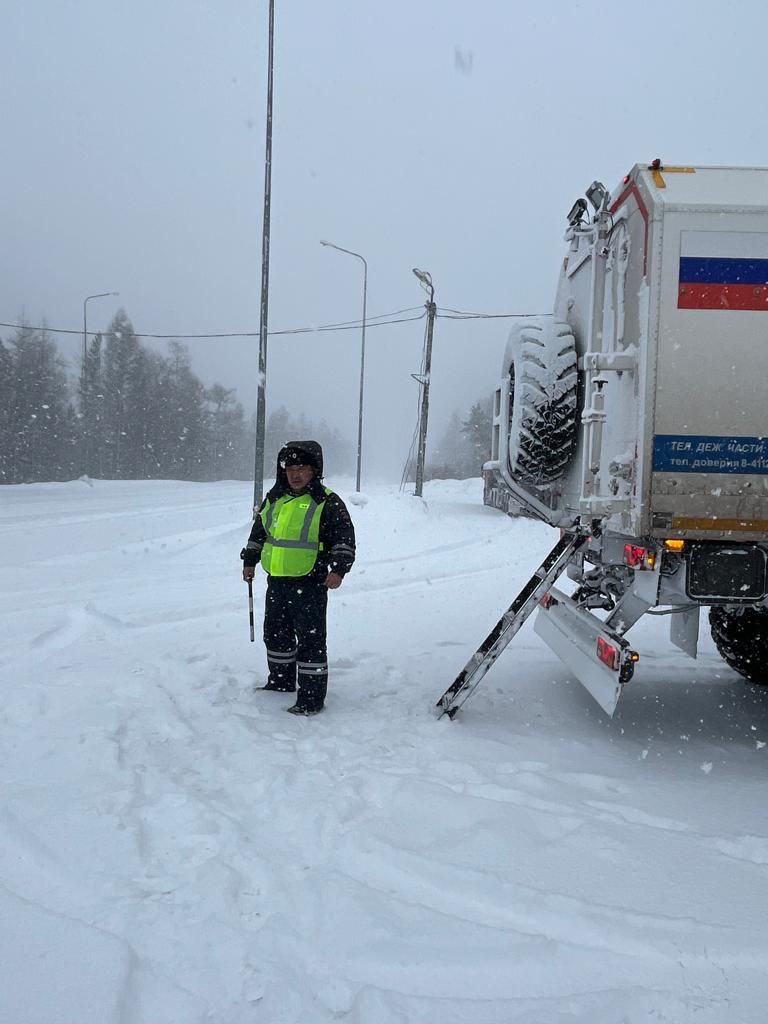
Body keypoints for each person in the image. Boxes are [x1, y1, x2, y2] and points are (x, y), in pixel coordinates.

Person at [241, 440, 356, 716]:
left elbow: (344, 537)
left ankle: (311, 698)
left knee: (310, 641)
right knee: (276, 635)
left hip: (311, 582)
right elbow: (260, 533)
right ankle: (280, 682)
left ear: (314, 470)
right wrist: (250, 560)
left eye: (302, 467)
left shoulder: (326, 501)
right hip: (277, 581)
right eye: (290, 467)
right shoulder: (274, 498)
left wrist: (339, 568)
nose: (295, 473)